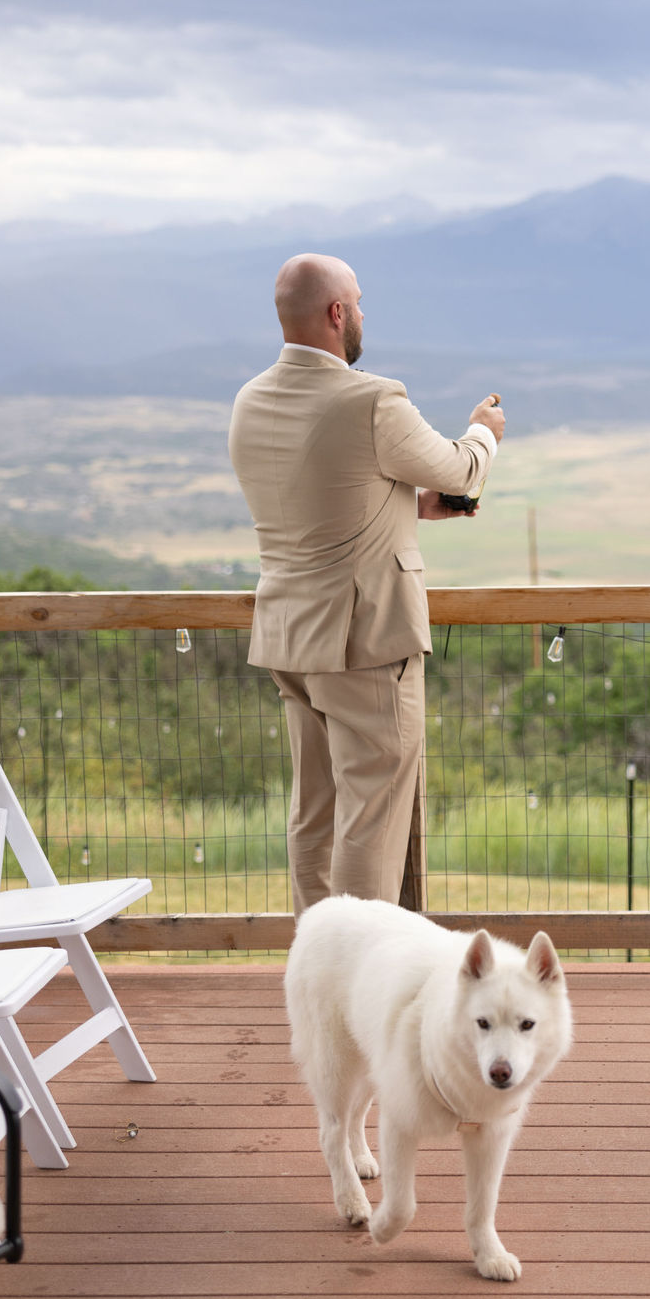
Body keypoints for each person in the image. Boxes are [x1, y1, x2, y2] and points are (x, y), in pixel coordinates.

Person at [230, 254, 505, 912]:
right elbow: (460, 470)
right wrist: (484, 432)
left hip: (290, 638)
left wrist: (405, 507)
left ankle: (318, 970)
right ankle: (360, 983)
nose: (361, 313)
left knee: (315, 814)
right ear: (337, 314)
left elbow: (317, 496)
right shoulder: (371, 398)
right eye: (358, 302)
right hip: (365, 643)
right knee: (371, 818)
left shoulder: (253, 400)